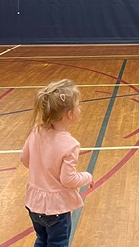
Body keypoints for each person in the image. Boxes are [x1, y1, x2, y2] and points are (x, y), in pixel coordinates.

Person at [21, 79, 94, 246]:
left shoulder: (36, 131)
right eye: (78, 104)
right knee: (58, 243)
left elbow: (25, 160)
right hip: (56, 209)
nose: (80, 108)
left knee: (41, 239)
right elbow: (68, 180)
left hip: (34, 203)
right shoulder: (70, 145)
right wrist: (87, 177)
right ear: (69, 114)